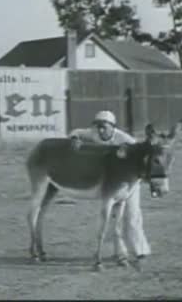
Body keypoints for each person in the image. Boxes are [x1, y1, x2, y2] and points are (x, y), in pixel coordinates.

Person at [68, 110, 151, 260]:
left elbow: (141, 154)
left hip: (130, 182)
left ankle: (140, 250)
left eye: (104, 126)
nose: (100, 129)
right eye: (97, 126)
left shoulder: (125, 139)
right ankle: (119, 252)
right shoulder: (92, 133)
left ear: (113, 127)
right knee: (114, 218)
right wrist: (74, 137)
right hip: (111, 181)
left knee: (132, 214)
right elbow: (76, 132)